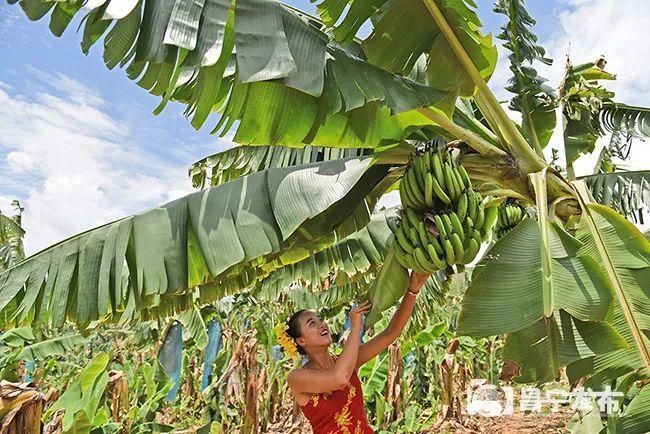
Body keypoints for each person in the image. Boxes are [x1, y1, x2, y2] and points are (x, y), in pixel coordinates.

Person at [274, 271, 430, 434]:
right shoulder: (297, 378)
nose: (322, 324)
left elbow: (391, 332)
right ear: (301, 341)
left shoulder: (346, 361)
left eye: (320, 319)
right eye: (312, 323)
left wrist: (413, 290)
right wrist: (355, 329)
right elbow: (339, 379)